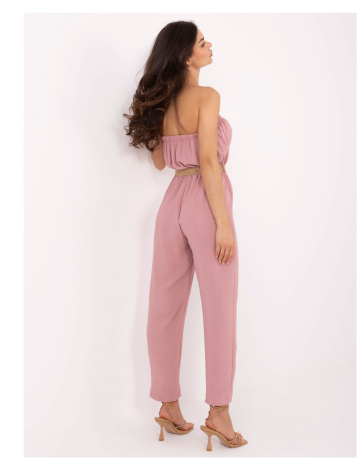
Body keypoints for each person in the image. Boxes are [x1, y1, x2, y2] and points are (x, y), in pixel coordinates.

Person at [124, 20, 247, 450]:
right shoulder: (207, 96)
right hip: (205, 202)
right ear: (185, 55)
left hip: (172, 202)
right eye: (201, 41)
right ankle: (219, 413)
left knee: (164, 306)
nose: (209, 45)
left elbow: (161, 163)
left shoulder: (162, 102)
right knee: (220, 308)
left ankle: (168, 406)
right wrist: (223, 224)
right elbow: (209, 161)